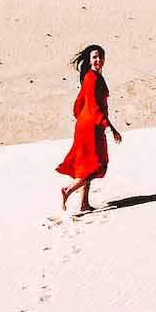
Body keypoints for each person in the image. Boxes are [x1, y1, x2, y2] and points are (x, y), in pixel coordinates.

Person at [56, 43, 121, 215]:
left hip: (89, 124)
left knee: (88, 163)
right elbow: (93, 106)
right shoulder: (92, 78)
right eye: (94, 57)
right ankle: (68, 190)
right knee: (97, 165)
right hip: (91, 126)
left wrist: (83, 119)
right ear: (89, 60)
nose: (98, 60)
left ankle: (84, 203)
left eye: (100, 56)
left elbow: (79, 104)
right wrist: (110, 126)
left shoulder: (93, 77)